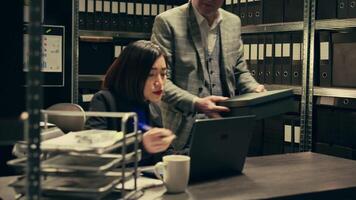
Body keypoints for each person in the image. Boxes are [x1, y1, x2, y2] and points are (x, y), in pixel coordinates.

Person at [151, 0, 266, 151]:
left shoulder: (233, 22)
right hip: (183, 131)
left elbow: (239, 70)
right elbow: (160, 83)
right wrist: (196, 102)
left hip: (226, 125)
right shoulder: (167, 22)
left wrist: (254, 88)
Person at [86, 40, 175, 165]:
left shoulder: (153, 106)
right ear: (132, 75)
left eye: (163, 74)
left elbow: (165, 153)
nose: (159, 82)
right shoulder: (104, 101)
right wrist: (141, 145)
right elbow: (94, 154)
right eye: (151, 74)